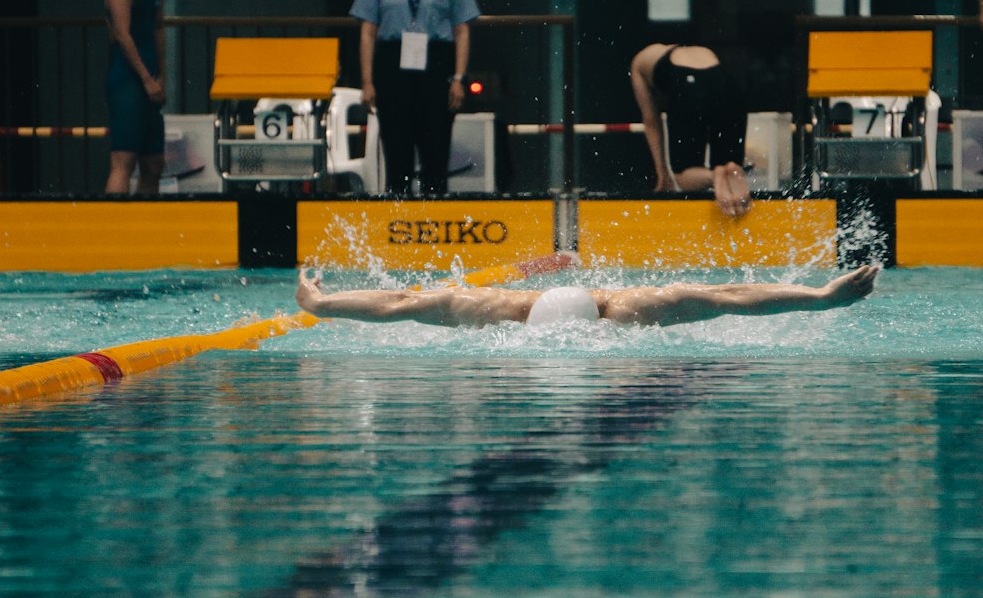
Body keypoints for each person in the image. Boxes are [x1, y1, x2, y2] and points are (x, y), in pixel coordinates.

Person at [350, 0, 480, 195]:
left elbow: (462, 29)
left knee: (435, 140)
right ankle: (399, 212)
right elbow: (368, 30)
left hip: (436, 61)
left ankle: (435, 212)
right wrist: (367, 81)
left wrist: (459, 78)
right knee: (396, 141)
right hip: (392, 60)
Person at [296, 264, 878, 329]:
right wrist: (818, 298)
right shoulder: (635, 311)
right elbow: (728, 295)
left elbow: (400, 303)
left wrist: (322, 304)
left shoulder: (627, 306)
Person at [631, 43, 751, 218]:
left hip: (688, 86)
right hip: (728, 85)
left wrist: (662, 172)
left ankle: (713, 175)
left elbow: (651, 121)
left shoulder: (639, 62)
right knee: (729, 170)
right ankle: (728, 171)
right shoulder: (699, 51)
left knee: (684, 177)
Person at [104, 0, 166, 195]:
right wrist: (146, 78)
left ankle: (145, 228)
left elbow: (158, 28)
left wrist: (162, 76)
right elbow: (122, 34)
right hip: (127, 78)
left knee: (154, 164)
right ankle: (113, 229)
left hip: (151, 75)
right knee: (124, 161)